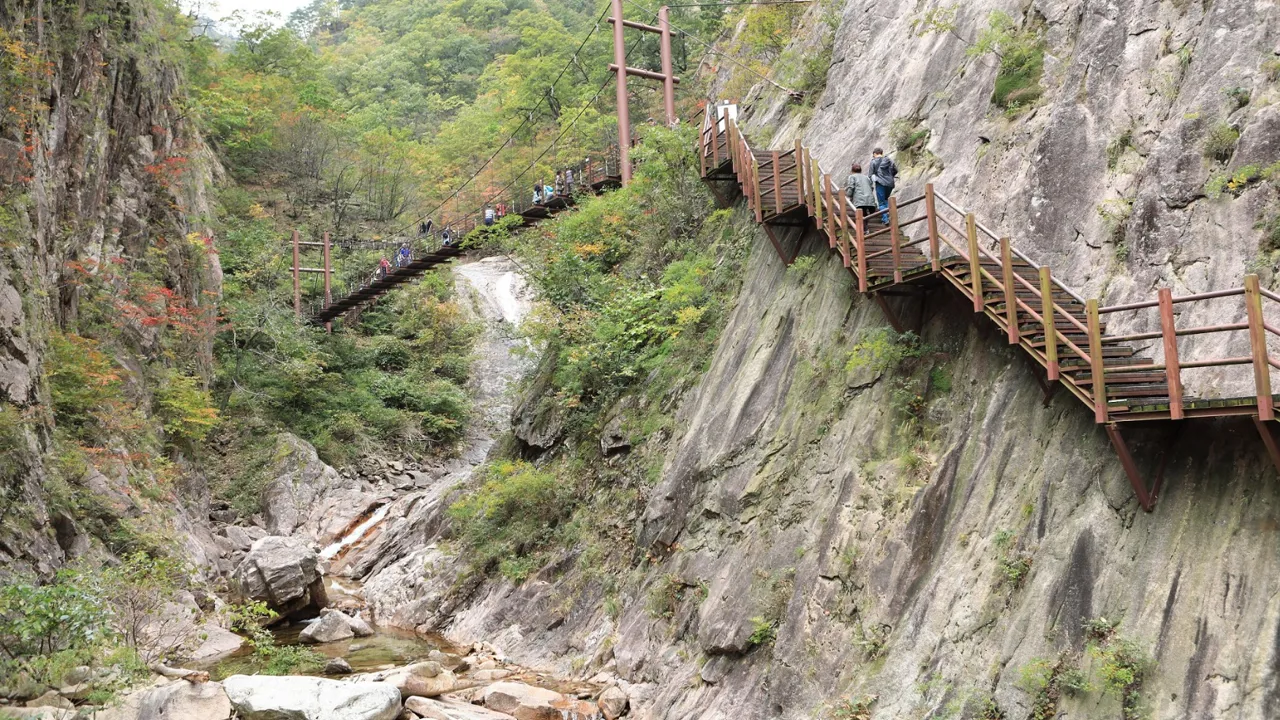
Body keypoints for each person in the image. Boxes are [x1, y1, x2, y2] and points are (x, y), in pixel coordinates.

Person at [845, 162, 877, 232]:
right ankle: (866, 228)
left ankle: (865, 229)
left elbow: (851, 187)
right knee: (864, 213)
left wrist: (848, 195)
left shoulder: (852, 177)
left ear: (852, 170)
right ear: (861, 170)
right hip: (869, 199)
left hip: (859, 199)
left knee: (860, 214)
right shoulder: (866, 177)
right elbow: (871, 188)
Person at [869, 148, 898, 223]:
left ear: (875, 154)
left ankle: (885, 219)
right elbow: (895, 170)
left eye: (873, 155)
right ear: (881, 153)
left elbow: (870, 174)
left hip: (880, 183)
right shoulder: (889, 160)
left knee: (881, 202)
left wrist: (871, 184)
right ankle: (890, 216)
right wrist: (890, 176)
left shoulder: (873, 162)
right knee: (886, 199)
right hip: (890, 183)